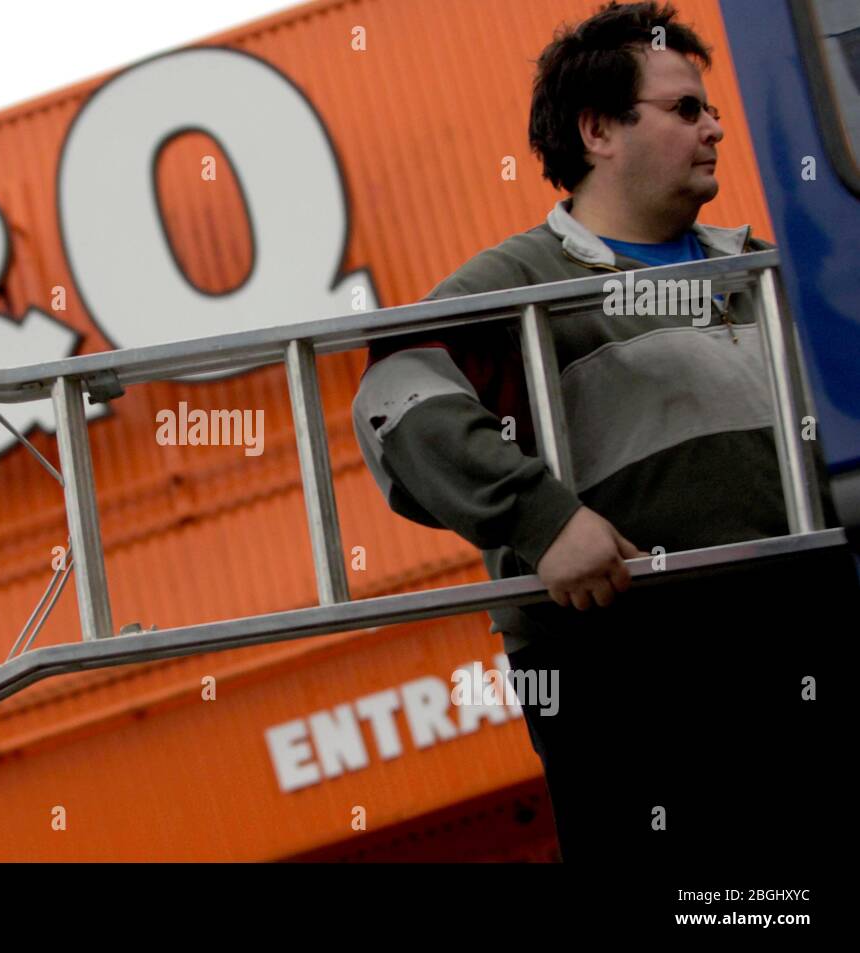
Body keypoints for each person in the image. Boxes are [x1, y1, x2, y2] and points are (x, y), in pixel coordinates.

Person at [352, 0, 856, 863]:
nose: (716, 128)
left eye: (713, 109)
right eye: (686, 108)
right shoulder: (518, 284)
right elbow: (395, 401)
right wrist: (538, 518)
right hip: (642, 703)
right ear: (598, 130)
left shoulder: (764, 266)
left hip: (815, 659)